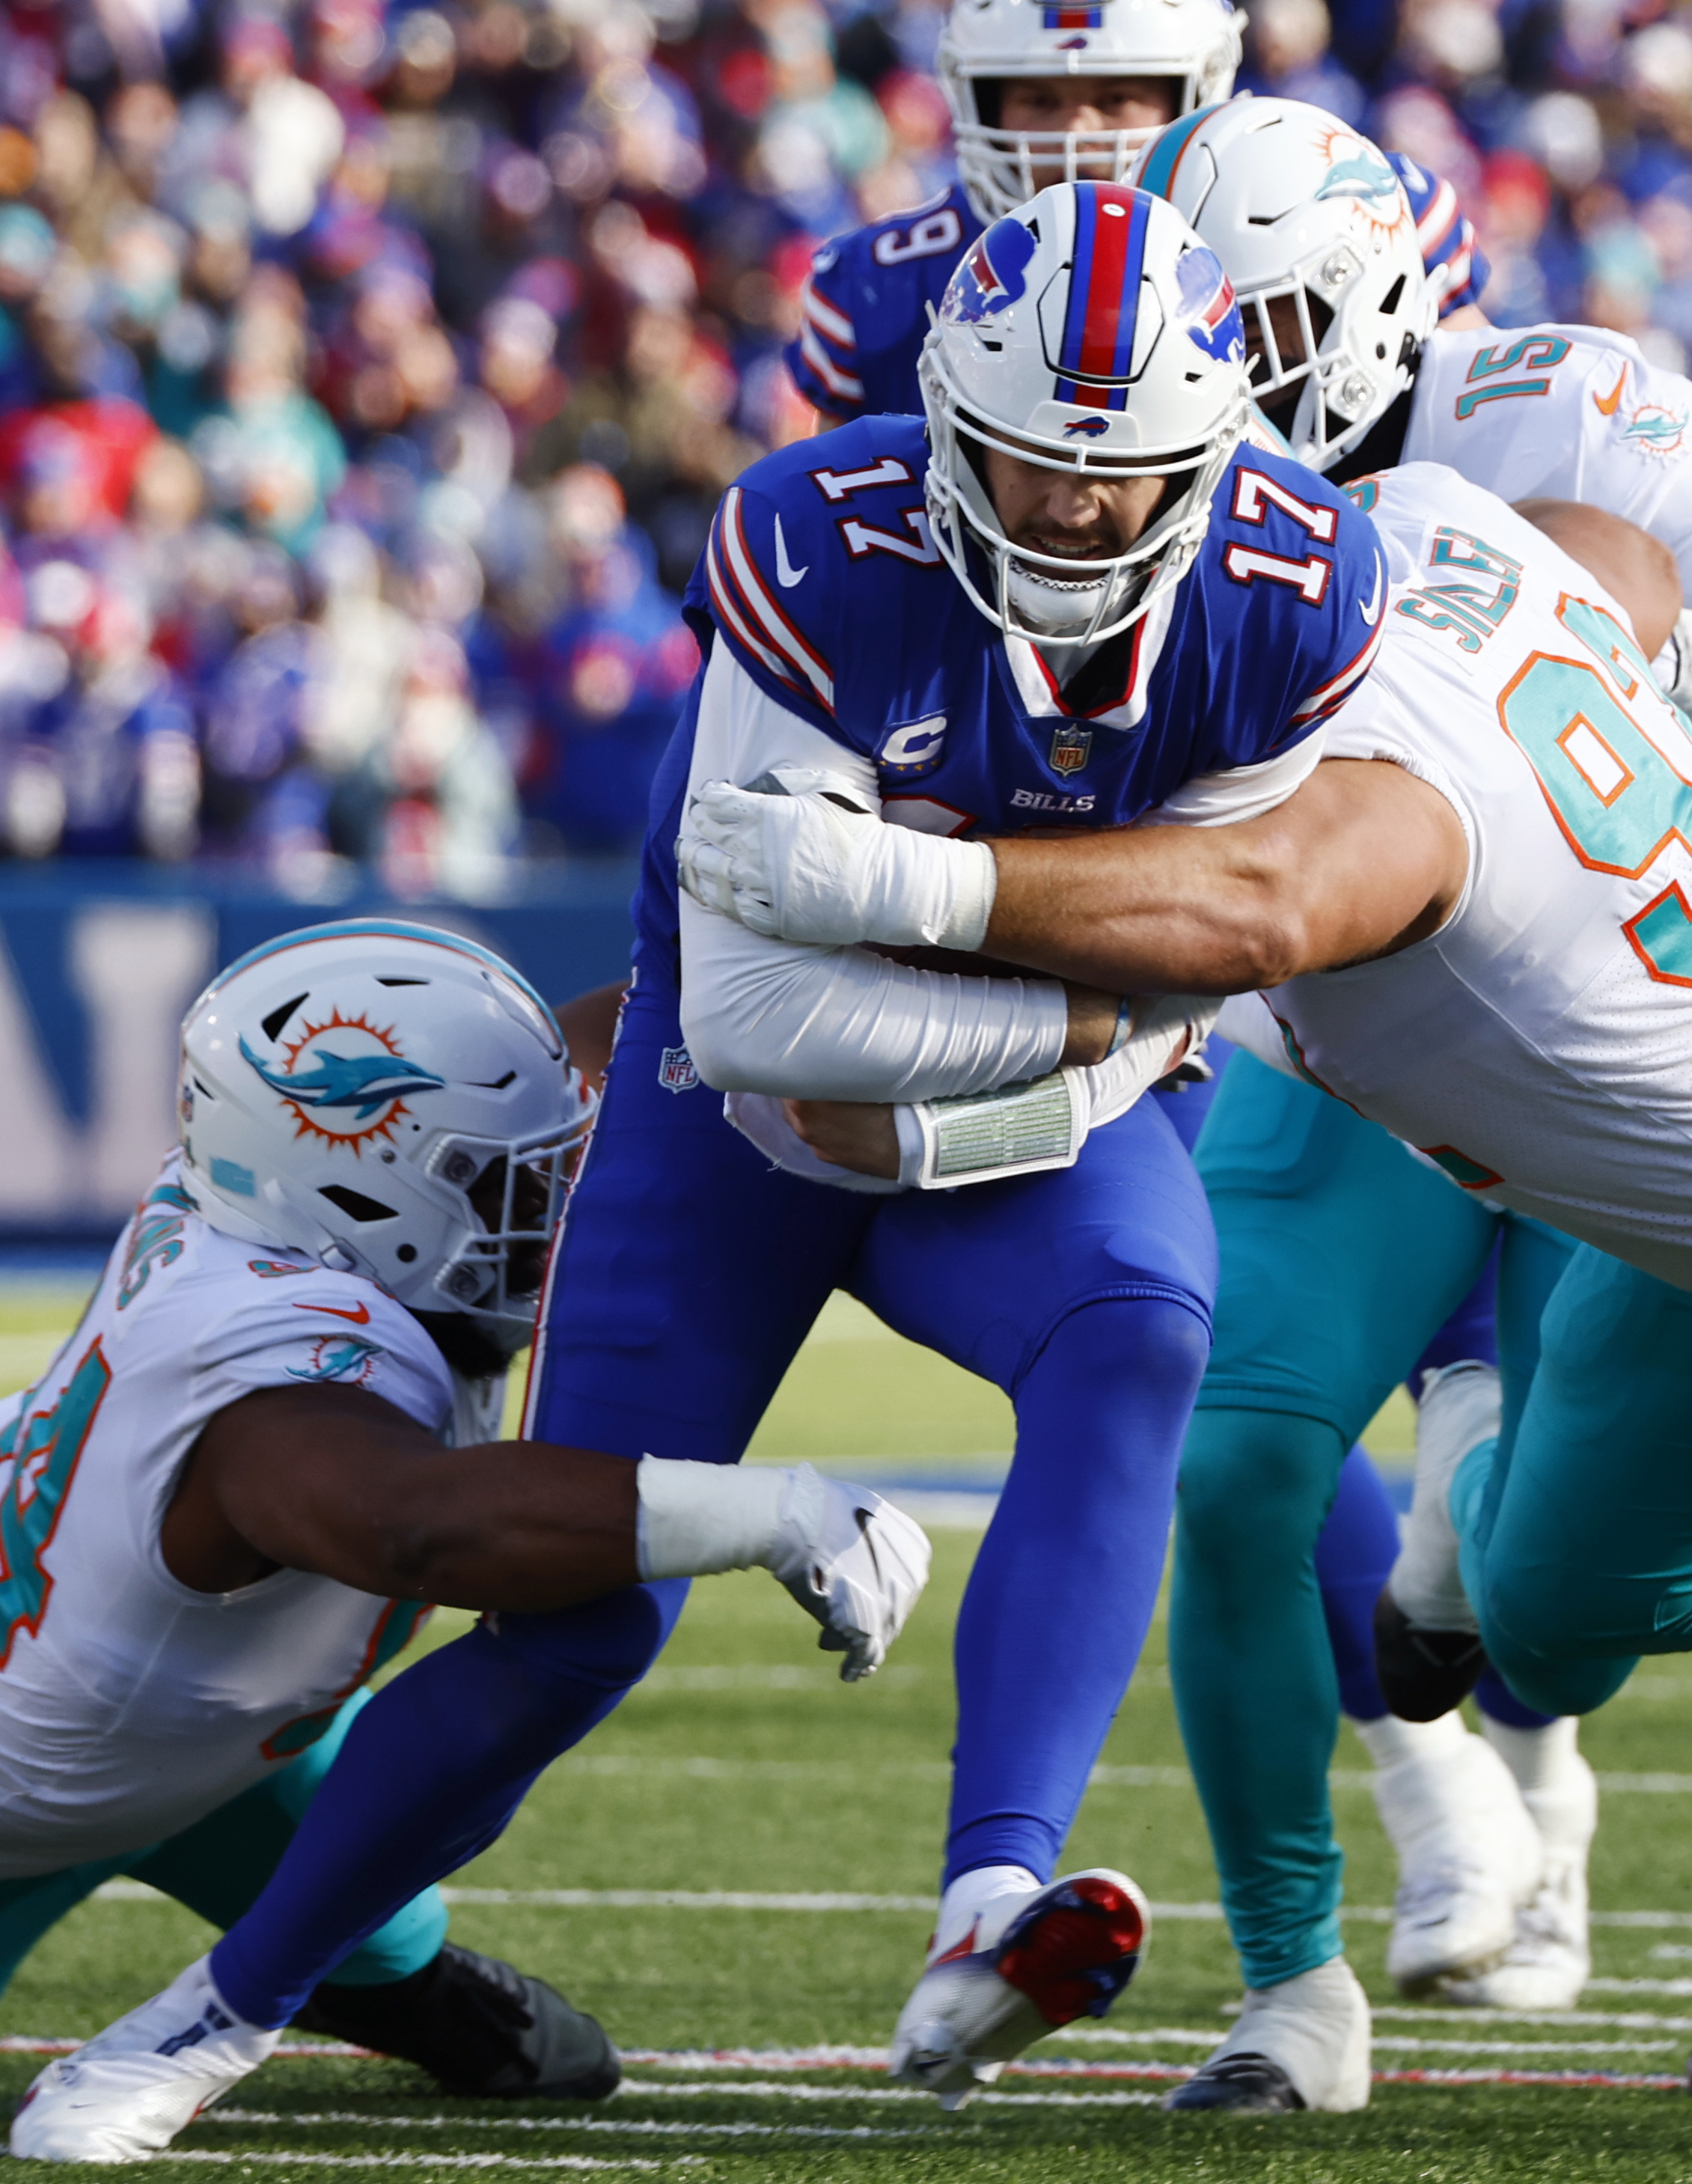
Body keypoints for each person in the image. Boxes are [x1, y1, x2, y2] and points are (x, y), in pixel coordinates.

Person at [72, 179, 1393, 2124]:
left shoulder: (1297, 587)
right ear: (947, 422)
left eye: (1119, 477)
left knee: (1140, 1330)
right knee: (577, 1617)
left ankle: (987, 1900)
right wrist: (1087, 996)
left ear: (1210, 460)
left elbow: (1226, 940)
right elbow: (762, 1025)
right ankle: (218, 2004)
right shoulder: (812, 535)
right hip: (727, 1128)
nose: (1075, 514)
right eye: (1029, 465)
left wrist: (978, 994)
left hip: (1036, 1130)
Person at [677, 473, 1687, 2111]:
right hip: (1447, 1072)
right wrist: (947, 1122)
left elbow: (1254, 908)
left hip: (1608, 1140)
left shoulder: (1357, 785)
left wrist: (901, 888)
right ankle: (1295, 1986)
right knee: (1230, 1462)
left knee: (1552, 1629)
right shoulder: (1416, 515)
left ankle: (1478, 1474)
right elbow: (1164, 1018)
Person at [7, 918, 929, 2163]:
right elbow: (418, 1531)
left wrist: (828, 958)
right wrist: (769, 1510)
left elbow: (626, 1038)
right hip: (27, 1802)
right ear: (361, 1188)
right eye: (502, 1178)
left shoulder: (275, 1191)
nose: (551, 1198)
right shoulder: (270, 1369)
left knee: (513, 2032)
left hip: (220, 1738)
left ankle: (378, 1975)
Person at [1112, 93, 1692, 2059]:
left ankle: (1510, 1638)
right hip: (1344, 988)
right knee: (1236, 1457)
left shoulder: (1559, 410)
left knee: (1549, 1587)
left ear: (1363, 306)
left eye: (1246, 334)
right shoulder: (1152, 496)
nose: (1213, 381)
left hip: (1596, 949)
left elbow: (1598, 634)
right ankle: (1293, 1981)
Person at [785, 4, 1486, 431]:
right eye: (1036, 100)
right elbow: (838, 532)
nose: (1075, 134)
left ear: (1201, 85)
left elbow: (1469, 436)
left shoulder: (1358, 213)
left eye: (1118, 97)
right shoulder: (882, 286)